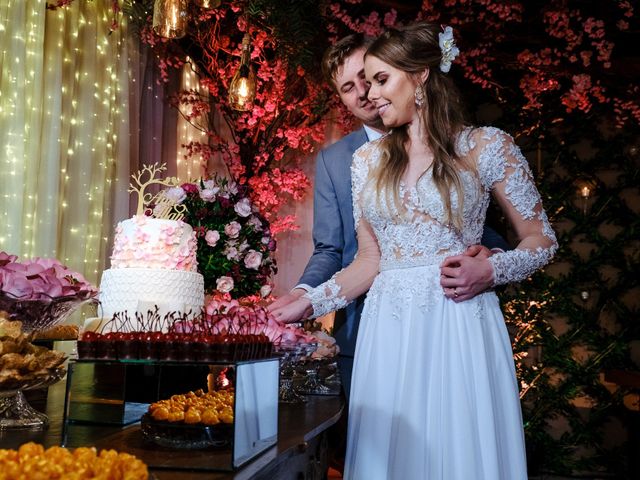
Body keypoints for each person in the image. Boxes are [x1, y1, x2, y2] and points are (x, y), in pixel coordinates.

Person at [271, 22, 557, 479]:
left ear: (421, 75)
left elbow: (542, 240)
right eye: (362, 83)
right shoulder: (367, 162)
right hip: (387, 331)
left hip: (459, 323)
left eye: (382, 79)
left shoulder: (487, 146)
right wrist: (305, 301)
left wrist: (492, 270)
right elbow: (368, 261)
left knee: (457, 453)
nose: (371, 93)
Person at [269, 33, 509, 399]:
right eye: (349, 88)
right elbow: (331, 249)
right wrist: (305, 295)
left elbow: (474, 223)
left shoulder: (462, 140)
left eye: (371, 78)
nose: (365, 92)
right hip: (369, 325)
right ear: (342, 100)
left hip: (453, 316)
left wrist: (493, 259)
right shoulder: (340, 160)